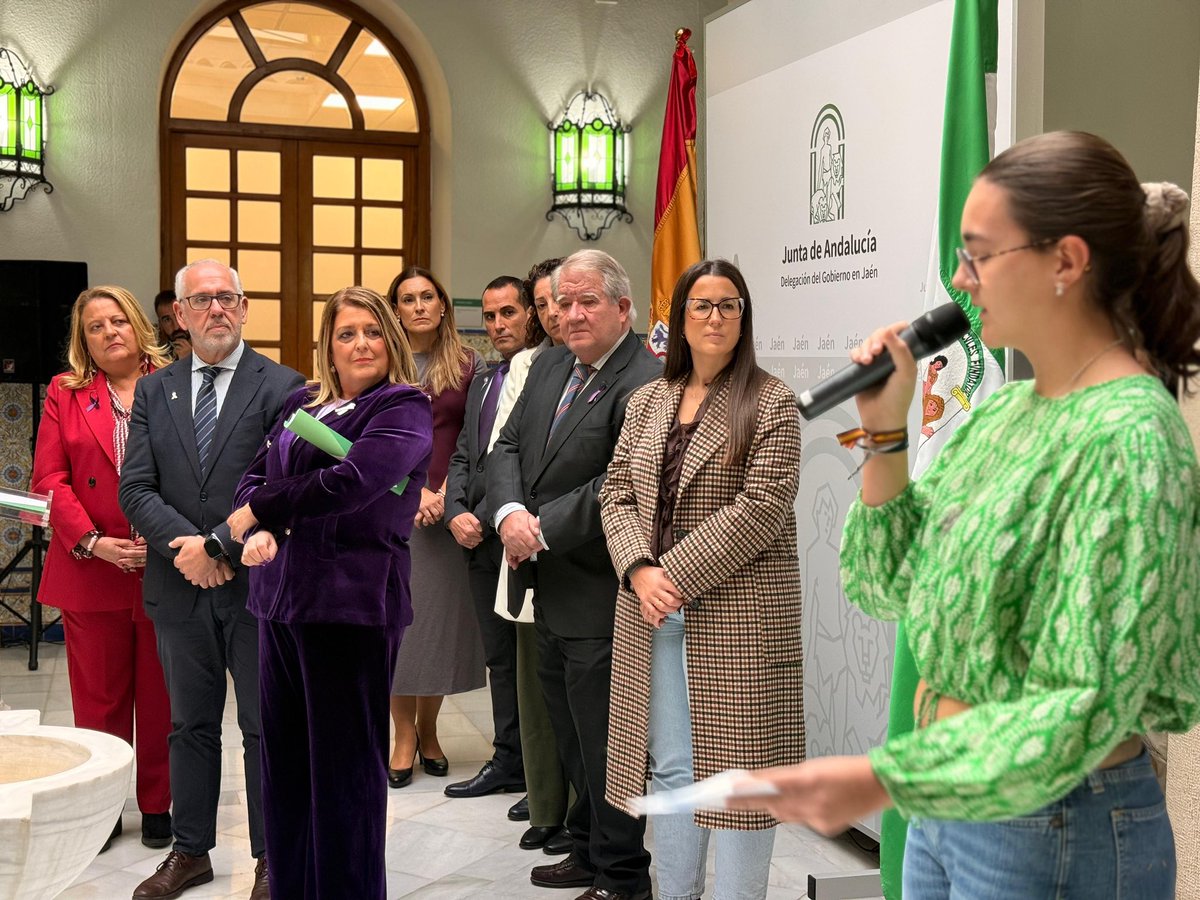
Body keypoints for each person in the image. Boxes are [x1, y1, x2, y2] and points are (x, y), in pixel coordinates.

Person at [731, 132, 1200, 900]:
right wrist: (883, 432)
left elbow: (1079, 702)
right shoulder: (1009, 411)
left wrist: (878, 776)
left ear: (1066, 261)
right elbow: (889, 585)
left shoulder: (1128, 436)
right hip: (952, 800)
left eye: (978, 255)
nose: (958, 280)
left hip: (1055, 819)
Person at [598, 259, 804, 900]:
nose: (716, 317)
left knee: (741, 780)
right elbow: (615, 494)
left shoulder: (771, 400)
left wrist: (672, 575)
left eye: (729, 305)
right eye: (702, 305)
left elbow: (764, 506)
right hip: (650, 609)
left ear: (744, 319)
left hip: (738, 613)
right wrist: (637, 569)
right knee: (670, 769)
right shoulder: (648, 399)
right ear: (680, 319)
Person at [226, 286, 433, 900]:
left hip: (351, 607)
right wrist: (257, 522)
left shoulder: (403, 407)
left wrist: (260, 508)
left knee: (344, 779)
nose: (361, 343)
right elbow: (250, 478)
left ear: (390, 340)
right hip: (280, 604)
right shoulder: (301, 401)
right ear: (328, 345)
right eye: (347, 333)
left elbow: (352, 483)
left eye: (372, 331)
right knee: (286, 770)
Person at [120, 259, 303, 900]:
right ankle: (190, 851)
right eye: (200, 301)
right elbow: (135, 487)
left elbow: (285, 487)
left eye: (227, 298)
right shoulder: (153, 390)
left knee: (263, 728)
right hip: (178, 588)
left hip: (258, 587)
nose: (215, 310)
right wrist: (189, 552)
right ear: (178, 314)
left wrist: (219, 545)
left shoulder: (284, 386)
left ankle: (271, 859)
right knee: (187, 726)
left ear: (246, 307)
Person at [489, 249, 661, 900]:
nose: (571, 314)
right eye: (563, 303)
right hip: (545, 588)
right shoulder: (550, 363)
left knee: (606, 745)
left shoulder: (646, 378)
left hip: (600, 590)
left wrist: (537, 529)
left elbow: (621, 482)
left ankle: (623, 878)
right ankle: (588, 852)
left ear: (623, 307)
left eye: (587, 301)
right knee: (570, 736)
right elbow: (506, 445)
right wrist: (507, 512)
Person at [31, 286, 174, 853]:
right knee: (100, 700)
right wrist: (93, 542)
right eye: (96, 326)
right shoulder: (64, 394)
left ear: (139, 326)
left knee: (165, 696)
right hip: (91, 567)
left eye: (119, 321)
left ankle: (160, 805)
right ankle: (105, 806)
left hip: (165, 564)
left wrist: (164, 535)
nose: (110, 332)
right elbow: (49, 481)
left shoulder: (175, 385)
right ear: (82, 340)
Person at [386, 265, 488, 788]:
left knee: (438, 628)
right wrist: (416, 490)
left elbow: (476, 437)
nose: (420, 305)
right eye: (408, 299)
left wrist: (447, 493)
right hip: (392, 504)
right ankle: (403, 734)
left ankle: (430, 729)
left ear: (443, 305)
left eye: (428, 296)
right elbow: (370, 439)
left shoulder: (469, 365)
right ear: (395, 309)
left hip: (447, 510)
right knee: (399, 627)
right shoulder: (381, 362)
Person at [443, 276, 532, 804]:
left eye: (509, 313)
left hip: (515, 539)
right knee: (498, 658)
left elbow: (515, 461)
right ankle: (508, 759)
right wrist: (455, 510)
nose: (498, 325)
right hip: (475, 539)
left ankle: (539, 769)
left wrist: (480, 513)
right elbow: (462, 454)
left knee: (528, 663)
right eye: (491, 315)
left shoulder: (545, 374)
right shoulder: (482, 379)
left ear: (531, 316)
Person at [154, 289, 191, 360]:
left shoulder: (209, 349)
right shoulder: (157, 358)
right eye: (167, 320)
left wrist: (190, 361)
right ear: (161, 325)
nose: (176, 327)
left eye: (180, 315)